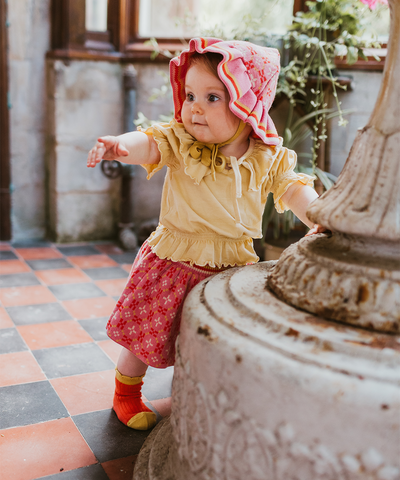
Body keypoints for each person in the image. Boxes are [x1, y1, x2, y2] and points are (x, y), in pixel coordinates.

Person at [87, 38, 324, 431]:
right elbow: (149, 142)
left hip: (230, 270)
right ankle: (125, 393)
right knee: (147, 336)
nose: (195, 107)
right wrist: (119, 146)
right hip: (174, 261)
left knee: (210, 340)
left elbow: (293, 189)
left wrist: (316, 213)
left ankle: (202, 395)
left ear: (248, 106)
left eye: (213, 97)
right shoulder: (182, 142)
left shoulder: (267, 157)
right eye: (191, 94)